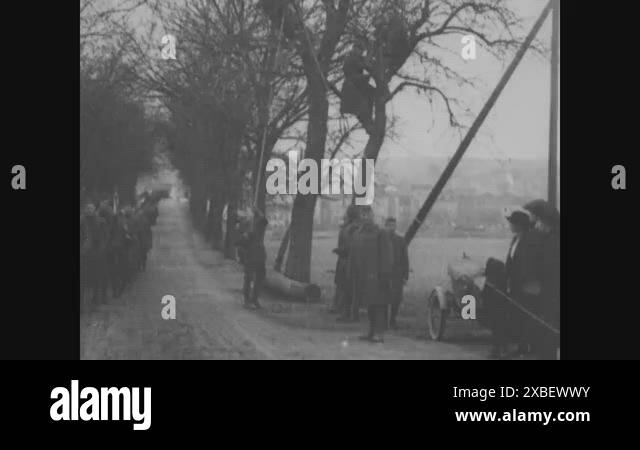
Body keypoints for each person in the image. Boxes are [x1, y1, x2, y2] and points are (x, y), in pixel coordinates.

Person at [348, 206, 393, 343]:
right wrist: (351, 272)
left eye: (368, 214)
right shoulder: (357, 234)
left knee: (378, 305)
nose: (365, 217)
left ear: (373, 215)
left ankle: (379, 333)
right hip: (362, 276)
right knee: (368, 305)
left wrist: (385, 275)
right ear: (360, 217)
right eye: (363, 215)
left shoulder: (381, 234)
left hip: (377, 276)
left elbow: (387, 255)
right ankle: (371, 331)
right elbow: (353, 255)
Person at [503, 210, 541, 358]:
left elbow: (529, 263)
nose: (510, 225)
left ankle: (528, 346)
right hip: (515, 283)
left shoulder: (530, 240)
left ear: (519, 225)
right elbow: (511, 260)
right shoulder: (515, 239)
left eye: (512, 222)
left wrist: (525, 279)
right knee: (518, 314)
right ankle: (522, 345)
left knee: (526, 314)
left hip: (526, 284)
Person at [236, 207, 269, 309]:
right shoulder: (248, 226)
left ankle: (253, 299)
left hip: (258, 256)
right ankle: (248, 300)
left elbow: (264, 221)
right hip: (251, 256)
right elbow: (239, 242)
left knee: (258, 278)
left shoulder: (258, 225)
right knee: (249, 278)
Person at [332, 205, 360, 318]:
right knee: (342, 285)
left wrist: (339, 250)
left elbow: (351, 246)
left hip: (347, 260)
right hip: (344, 260)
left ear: (349, 215)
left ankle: (345, 310)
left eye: (346, 214)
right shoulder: (349, 227)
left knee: (346, 286)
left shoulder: (351, 229)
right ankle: (340, 307)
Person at [340, 40, 374, 126]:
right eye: (360, 49)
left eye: (362, 50)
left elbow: (368, 63)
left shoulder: (358, 58)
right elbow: (364, 65)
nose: (361, 52)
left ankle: (368, 117)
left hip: (357, 82)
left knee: (371, 94)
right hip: (352, 82)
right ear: (354, 49)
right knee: (369, 93)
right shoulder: (351, 58)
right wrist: (370, 52)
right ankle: (367, 117)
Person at [384, 217, 409, 329]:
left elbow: (405, 259)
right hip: (384, 274)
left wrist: (405, 276)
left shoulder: (400, 240)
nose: (392, 228)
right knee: (383, 299)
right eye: (390, 225)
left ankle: (392, 320)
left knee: (396, 299)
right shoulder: (381, 239)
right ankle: (383, 321)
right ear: (386, 226)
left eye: (394, 226)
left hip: (397, 275)